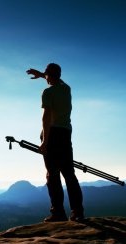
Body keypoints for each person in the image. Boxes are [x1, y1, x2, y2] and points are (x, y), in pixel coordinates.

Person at [26, 63, 84, 222]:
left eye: (46, 74)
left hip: (52, 134)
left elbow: (46, 117)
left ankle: (58, 212)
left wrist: (45, 141)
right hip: (66, 134)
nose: (45, 77)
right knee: (69, 174)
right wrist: (42, 74)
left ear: (50, 75)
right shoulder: (66, 89)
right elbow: (56, 79)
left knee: (52, 174)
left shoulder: (47, 92)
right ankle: (77, 212)